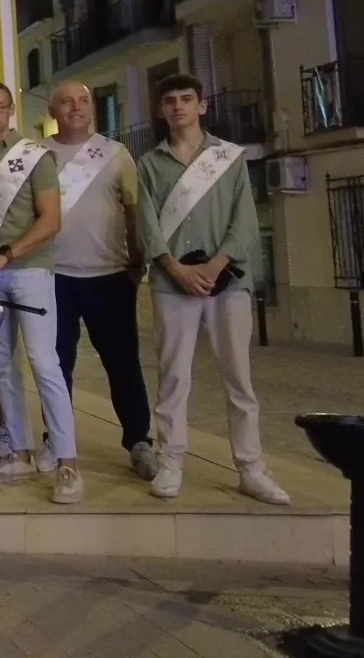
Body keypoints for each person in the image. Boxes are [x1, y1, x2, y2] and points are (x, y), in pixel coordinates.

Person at [137, 74, 289, 505]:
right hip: (172, 283)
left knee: (238, 377)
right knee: (173, 377)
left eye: (186, 99)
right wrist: (176, 269)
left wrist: (216, 263)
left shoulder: (229, 159)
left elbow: (245, 219)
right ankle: (170, 462)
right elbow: (147, 226)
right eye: (169, 100)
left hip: (228, 282)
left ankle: (251, 467)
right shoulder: (149, 164)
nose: (178, 106)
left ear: (202, 106)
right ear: (161, 110)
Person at [0, 81, 83, 503]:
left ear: (10, 110)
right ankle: (20, 452)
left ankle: (67, 463)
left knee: (45, 363)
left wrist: (6, 254)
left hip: (29, 271)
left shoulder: (35, 156)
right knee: (3, 365)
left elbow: (51, 221)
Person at [44, 81, 157, 480]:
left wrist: (136, 262)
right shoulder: (36, 154)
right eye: (65, 102)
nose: (75, 107)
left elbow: (134, 212)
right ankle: (56, 441)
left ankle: (139, 440)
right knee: (56, 366)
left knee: (123, 363)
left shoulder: (115, 154)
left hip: (109, 274)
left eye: (82, 101)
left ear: (92, 108)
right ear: (52, 111)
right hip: (53, 276)